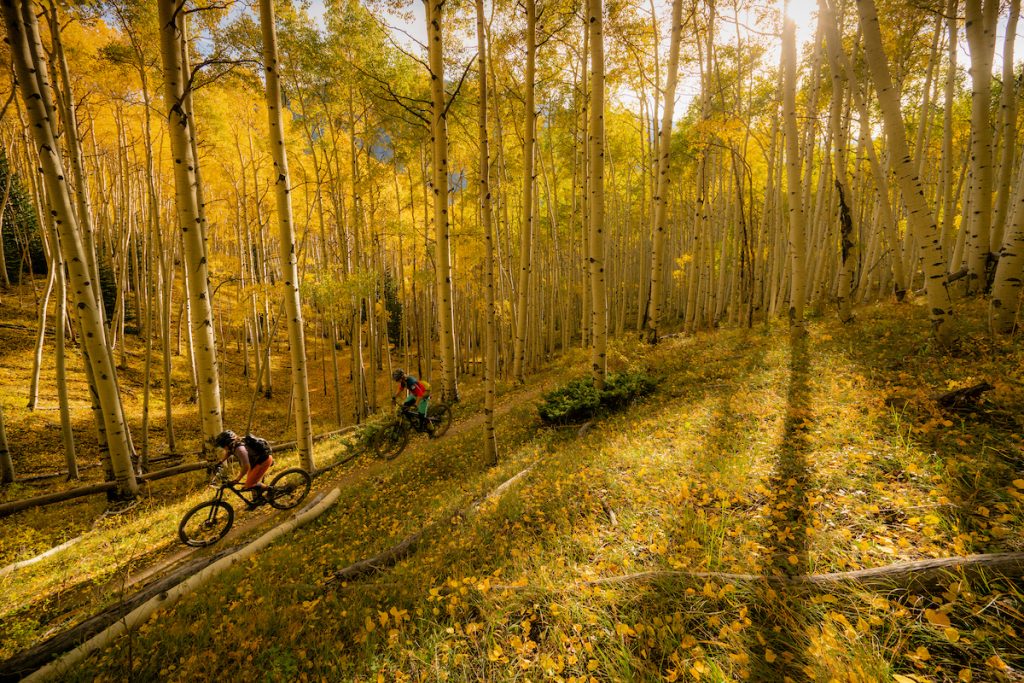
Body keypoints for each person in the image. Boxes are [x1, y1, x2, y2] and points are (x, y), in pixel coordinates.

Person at [214, 430, 273, 508]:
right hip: (256, 461)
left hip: (263, 461)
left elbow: (246, 467)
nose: (223, 448)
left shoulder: (240, 449)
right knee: (250, 481)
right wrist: (220, 462)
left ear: (227, 443)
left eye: (222, 446)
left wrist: (237, 479)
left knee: (249, 484)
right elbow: (229, 452)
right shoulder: (234, 444)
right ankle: (257, 500)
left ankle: (271, 490)